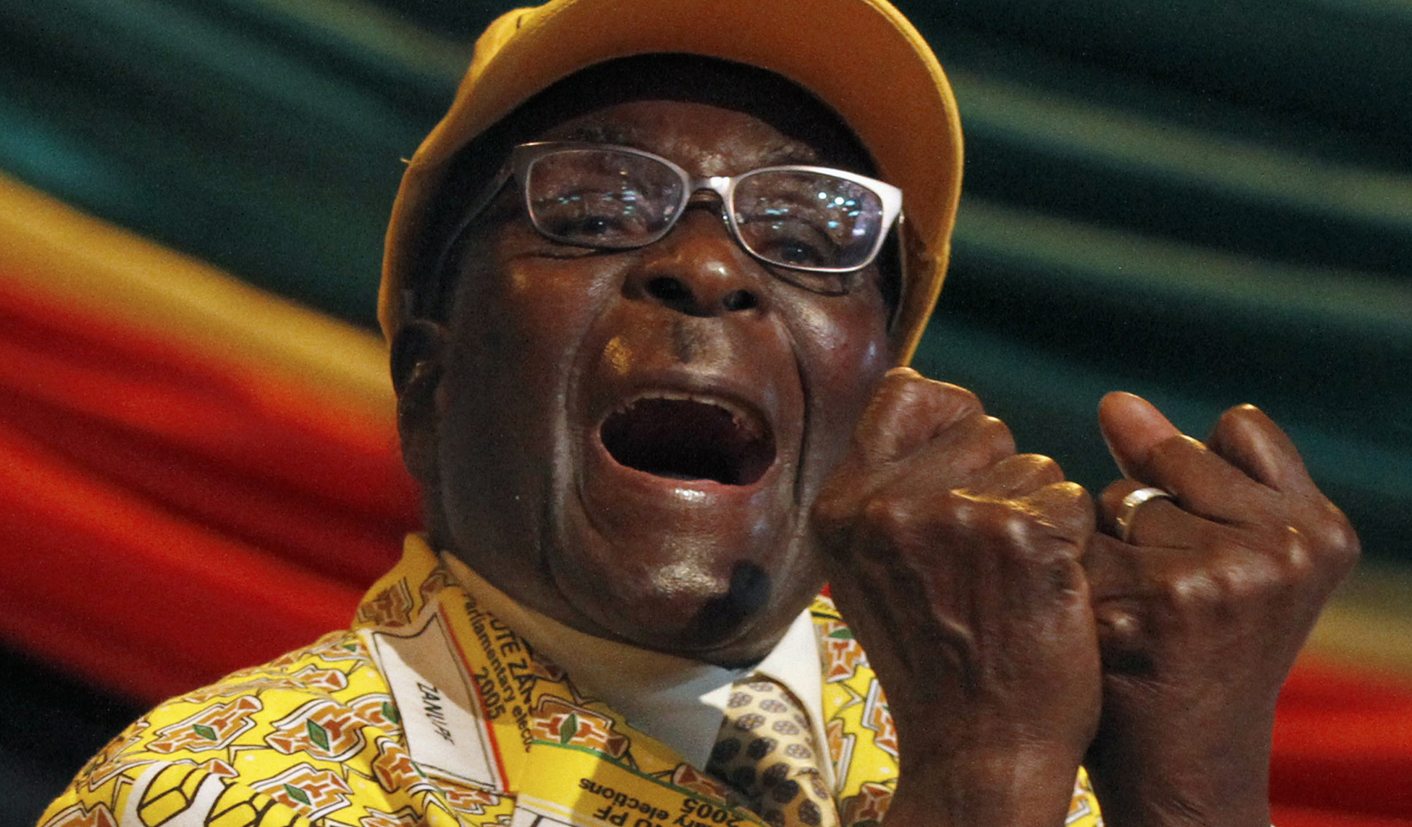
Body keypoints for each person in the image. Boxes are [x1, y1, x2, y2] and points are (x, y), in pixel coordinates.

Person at [40, 0, 1359, 825]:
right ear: (429, 385)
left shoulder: (982, 711)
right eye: (598, 208)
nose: (714, 267)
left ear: (883, 403)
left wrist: (1187, 774)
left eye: (811, 229)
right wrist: (986, 774)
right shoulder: (223, 793)